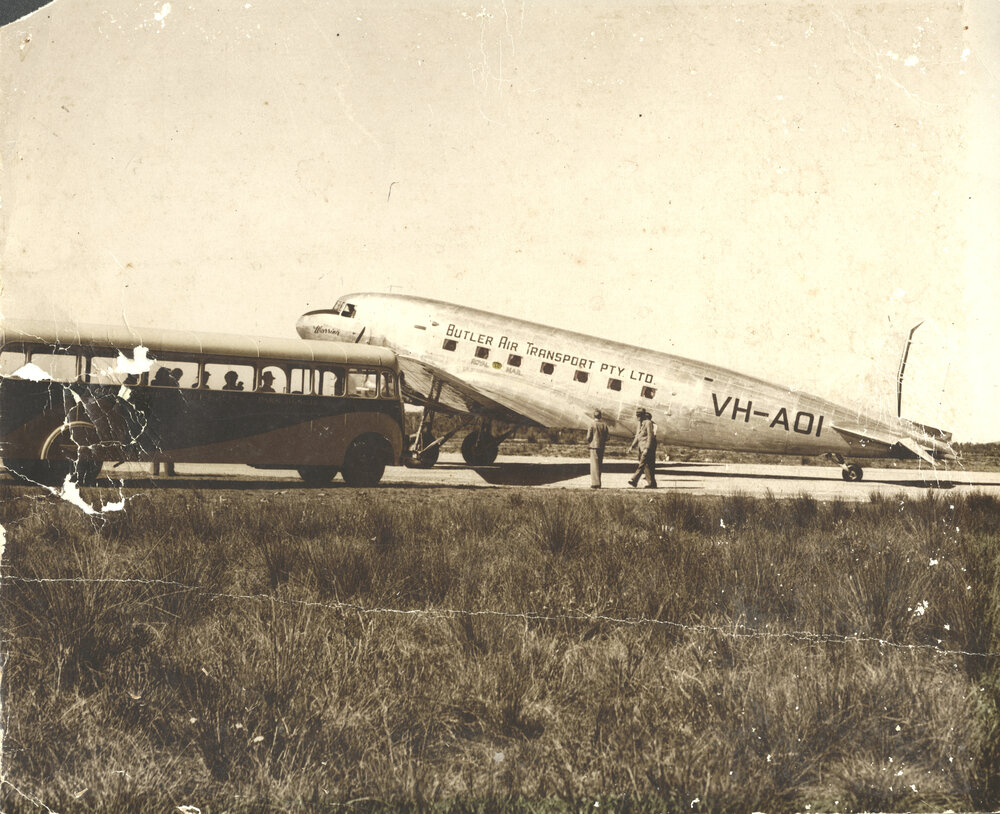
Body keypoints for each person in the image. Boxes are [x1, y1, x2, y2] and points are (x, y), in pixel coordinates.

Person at [627, 408, 658, 488]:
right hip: (641, 448)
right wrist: (632, 446)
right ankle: (652, 483)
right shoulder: (640, 423)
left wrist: (647, 448)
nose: (638, 418)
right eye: (637, 416)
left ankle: (634, 480)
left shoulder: (648, 423)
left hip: (646, 448)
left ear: (643, 415)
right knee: (647, 466)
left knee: (642, 464)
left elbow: (650, 436)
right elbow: (637, 436)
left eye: (639, 416)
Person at [586, 408, 610, 489]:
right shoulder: (604, 425)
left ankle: (595, 483)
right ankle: (599, 482)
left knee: (594, 465)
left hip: (593, 446)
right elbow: (607, 438)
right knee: (599, 464)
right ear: (600, 416)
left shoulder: (592, 424)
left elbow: (588, 437)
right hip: (601, 446)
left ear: (594, 416)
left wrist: (589, 441)